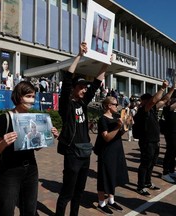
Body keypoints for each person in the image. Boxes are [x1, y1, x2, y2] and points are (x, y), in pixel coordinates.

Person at [55, 42, 109, 216]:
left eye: (85, 87)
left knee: (79, 192)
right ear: (74, 89)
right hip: (72, 154)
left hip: (85, 152)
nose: (84, 89)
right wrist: (78, 55)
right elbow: (67, 80)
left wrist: (106, 64)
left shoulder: (83, 103)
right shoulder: (66, 105)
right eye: (81, 87)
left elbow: (97, 84)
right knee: (67, 193)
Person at [0, 81, 59, 216]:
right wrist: (4, 142)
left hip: (31, 169)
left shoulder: (33, 119)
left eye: (33, 97)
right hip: (9, 170)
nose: (31, 100)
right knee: (7, 209)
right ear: (18, 96)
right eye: (28, 96)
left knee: (29, 209)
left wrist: (49, 137)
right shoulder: (5, 119)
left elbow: (35, 147)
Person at [135, 81, 174, 197]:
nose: (153, 101)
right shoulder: (143, 110)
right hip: (146, 142)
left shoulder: (153, 109)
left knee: (152, 163)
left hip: (154, 141)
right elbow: (153, 101)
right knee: (145, 164)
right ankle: (140, 186)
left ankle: (147, 182)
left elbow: (165, 100)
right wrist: (162, 88)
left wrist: (172, 89)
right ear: (144, 101)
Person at [94, 96, 129, 215]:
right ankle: (101, 202)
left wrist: (127, 125)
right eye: (115, 104)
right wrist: (118, 127)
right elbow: (106, 137)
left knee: (113, 175)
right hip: (107, 151)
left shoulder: (115, 117)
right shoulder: (102, 119)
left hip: (117, 150)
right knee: (104, 176)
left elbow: (121, 133)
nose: (117, 106)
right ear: (108, 106)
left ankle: (111, 200)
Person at [161, 91, 176, 183]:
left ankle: (171, 170)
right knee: (170, 151)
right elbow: (171, 107)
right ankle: (165, 173)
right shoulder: (167, 108)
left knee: (174, 152)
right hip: (170, 133)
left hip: (175, 132)